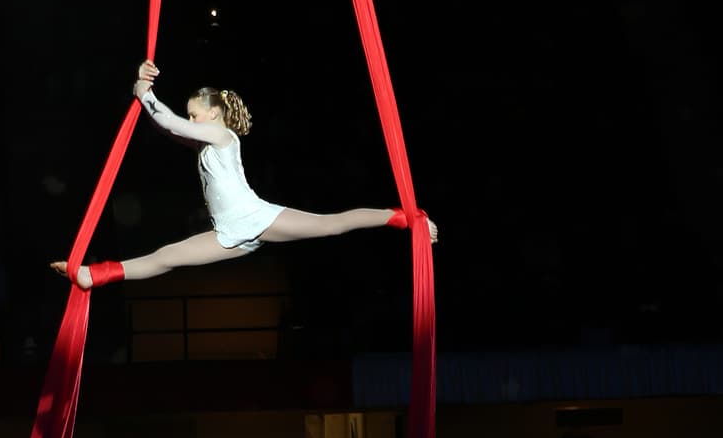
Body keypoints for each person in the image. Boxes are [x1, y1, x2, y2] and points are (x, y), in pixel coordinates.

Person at [52, 60, 437, 287]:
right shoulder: (205, 141)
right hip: (229, 234)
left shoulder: (221, 135)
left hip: (256, 218)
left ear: (214, 115)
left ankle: (406, 218)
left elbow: (169, 120)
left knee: (331, 224)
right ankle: (93, 276)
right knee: (167, 257)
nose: (191, 120)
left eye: (195, 114)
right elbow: (168, 126)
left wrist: (144, 93)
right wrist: (145, 93)